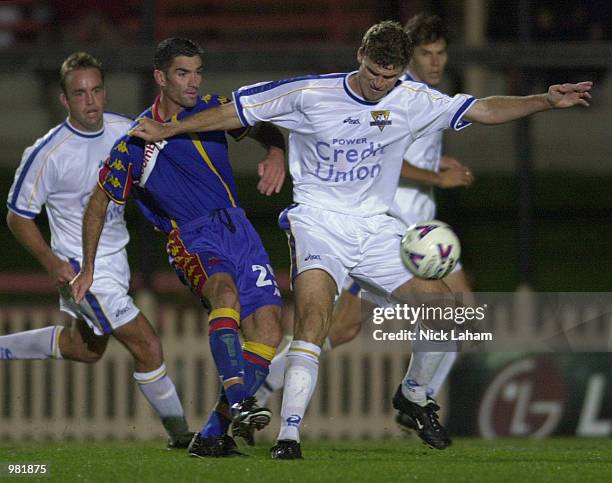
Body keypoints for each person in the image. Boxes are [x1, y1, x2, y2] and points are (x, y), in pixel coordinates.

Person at [127, 21, 592, 459]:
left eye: (389, 77)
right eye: (372, 73)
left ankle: (412, 396)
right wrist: (170, 129)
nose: (378, 85)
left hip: (376, 227)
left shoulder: (411, 98)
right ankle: (289, 433)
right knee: (315, 318)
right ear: (359, 57)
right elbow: (232, 111)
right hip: (319, 222)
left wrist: (545, 101)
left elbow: (485, 108)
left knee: (449, 312)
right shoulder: (311, 92)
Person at [255, 13, 475, 450]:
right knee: (335, 325)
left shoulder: (427, 98)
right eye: (426, 55)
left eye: (440, 55)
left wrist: (436, 168)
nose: (434, 63)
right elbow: (378, 152)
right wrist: (435, 178)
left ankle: (414, 397)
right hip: (377, 227)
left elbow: (403, 155)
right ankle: (415, 397)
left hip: (410, 228)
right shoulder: (397, 97)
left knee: (359, 326)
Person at [70, 38, 286, 458]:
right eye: (183, 73)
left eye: (198, 71)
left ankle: (210, 436)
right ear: (160, 78)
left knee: (270, 328)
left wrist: (276, 150)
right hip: (191, 235)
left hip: (238, 226)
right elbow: (99, 201)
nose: (193, 82)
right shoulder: (136, 142)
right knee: (224, 292)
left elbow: (263, 125)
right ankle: (241, 398)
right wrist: (89, 267)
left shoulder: (212, 108)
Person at [2, 52, 192, 448]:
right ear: (65, 101)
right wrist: (53, 263)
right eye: (79, 93)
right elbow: (18, 217)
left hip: (115, 261)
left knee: (83, 350)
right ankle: (184, 437)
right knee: (147, 343)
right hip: (81, 272)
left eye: (96, 90)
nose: (89, 100)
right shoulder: (47, 154)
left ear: (105, 92)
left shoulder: (127, 132)